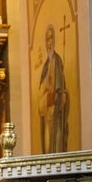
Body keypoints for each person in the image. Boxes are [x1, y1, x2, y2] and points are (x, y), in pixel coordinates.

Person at [37, 24, 69, 154]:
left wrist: (59, 96)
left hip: (55, 111)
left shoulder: (57, 60)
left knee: (56, 139)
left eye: (51, 38)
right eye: (47, 39)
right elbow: (41, 90)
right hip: (47, 110)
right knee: (47, 143)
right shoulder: (45, 66)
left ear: (54, 40)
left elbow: (61, 86)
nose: (49, 42)